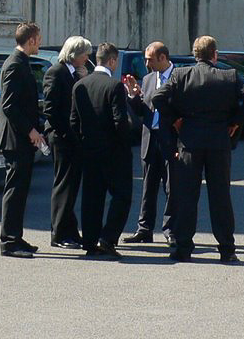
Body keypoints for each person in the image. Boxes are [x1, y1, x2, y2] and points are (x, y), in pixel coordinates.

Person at [150, 33, 244, 263]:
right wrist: (235, 122)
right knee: (221, 197)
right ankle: (227, 249)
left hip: (190, 141)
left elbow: (158, 98)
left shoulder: (181, 74)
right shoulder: (229, 76)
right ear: (215, 55)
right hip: (219, 141)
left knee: (186, 196)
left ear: (195, 55)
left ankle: (183, 248)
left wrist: (175, 119)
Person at [70, 43, 141, 259]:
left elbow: (74, 121)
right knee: (122, 195)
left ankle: (90, 241)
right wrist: (126, 141)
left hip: (89, 150)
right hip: (114, 151)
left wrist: (83, 144)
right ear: (111, 61)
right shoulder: (114, 86)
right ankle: (108, 238)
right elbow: (120, 121)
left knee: (92, 197)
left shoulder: (80, 85)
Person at [0, 21, 46, 257]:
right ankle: (9, 241)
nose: (40, 43)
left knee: (21, 190)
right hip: (15, 139)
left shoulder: (21, 62)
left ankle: (16, 236)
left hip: (22, 138)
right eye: (39, 39)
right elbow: (9, 105)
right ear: (31, 40)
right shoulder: (15, 64)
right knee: (14, 190)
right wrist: (30, 131)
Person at [41, 35, 92, 248]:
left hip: (73, 138)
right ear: (74, 54)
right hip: (62, 138)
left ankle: (70, 230)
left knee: (71, 187)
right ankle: (59, 233)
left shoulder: (73, 73)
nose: (87, 59)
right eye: (85, 55)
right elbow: (51, 109)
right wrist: (67, 135)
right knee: (64, 185)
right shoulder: (56, 72)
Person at [122, 41, 174, 244]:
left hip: (170, 140)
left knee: (171, 187)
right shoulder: (148, 79)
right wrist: (133, 96)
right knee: (148, 187)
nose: (146, 63)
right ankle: (144, 229)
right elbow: (143, 111)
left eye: (149, 59)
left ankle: (171, 230)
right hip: (150, 139)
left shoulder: (179, 78)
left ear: (163, 58)